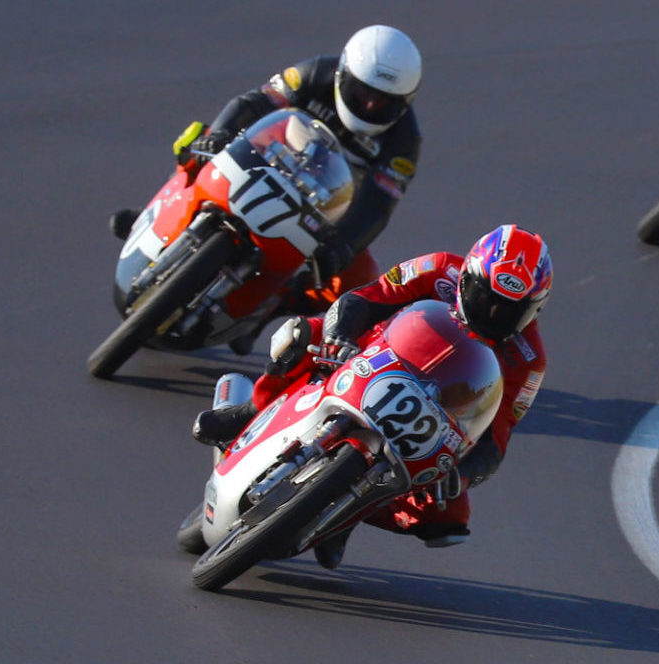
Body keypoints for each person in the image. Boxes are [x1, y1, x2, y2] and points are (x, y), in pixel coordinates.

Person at [192, 225, 552, 569]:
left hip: (434, 419)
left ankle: (346, 516)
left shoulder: (529, 360)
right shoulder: (439, 268)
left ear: (533, 309)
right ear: (468, 277)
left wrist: (464, 475)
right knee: (300, 335)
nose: (490, 313)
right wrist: (340, 334)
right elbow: (367, 298)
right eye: (484, 297)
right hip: (371, 358)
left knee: (450, 516)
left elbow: (497, 437)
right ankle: (250, 410)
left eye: (507, 310)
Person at [112, 25, 424, 334]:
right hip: (274, 157)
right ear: (344, 76)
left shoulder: (404, 142)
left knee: (360, 276)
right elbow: (254, 103)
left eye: (383, 101)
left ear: (405, 102)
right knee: (198, 137)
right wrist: (219, 135)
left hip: (328, 206)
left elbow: (378, 205)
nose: (370, 105)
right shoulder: (315, 73)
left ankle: (277, 301)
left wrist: (344, 245)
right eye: (363, 93)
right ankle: (161, 216)